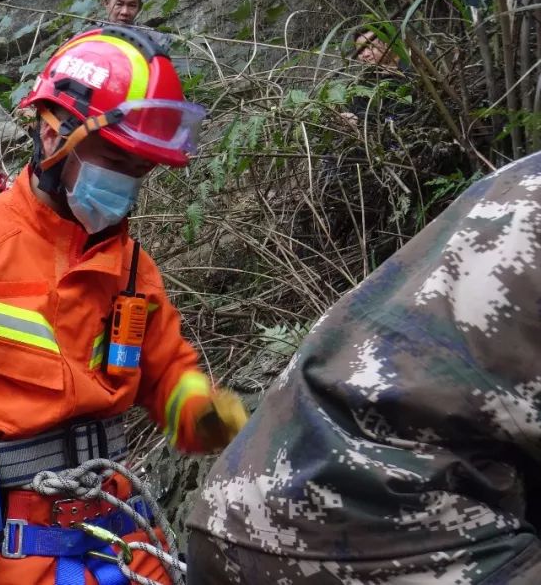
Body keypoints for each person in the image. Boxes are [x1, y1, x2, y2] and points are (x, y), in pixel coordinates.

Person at [0, 26, 248, 585]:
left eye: (140, 170)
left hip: (120, 535)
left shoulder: (130, 265)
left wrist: (205, 413)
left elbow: (168, 375)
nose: (127, 184)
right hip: (11, 548)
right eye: (115, 159)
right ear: (51, 134)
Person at [186, 153, 541, 583]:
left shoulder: (511, 183)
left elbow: (161, 360)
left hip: (239, 505)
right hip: (370, 523)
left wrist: (189, 402)